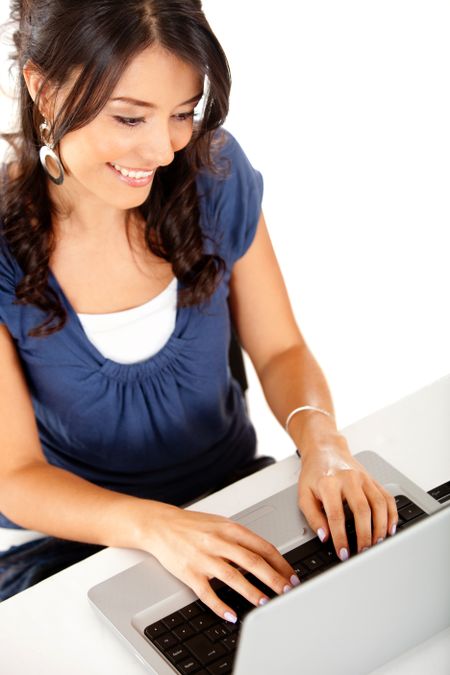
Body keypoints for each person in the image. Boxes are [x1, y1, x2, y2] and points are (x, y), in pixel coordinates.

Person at [0, 0, 397, 616]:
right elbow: (15, 474)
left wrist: (323, 441)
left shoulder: (213, 174)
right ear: (45, 91)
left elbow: (281, 349)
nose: (162, 150)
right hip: (76, 549)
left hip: (234, 503)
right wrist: (159, 528)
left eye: (182, 113)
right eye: (130, 118)